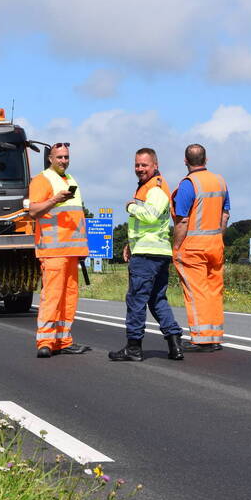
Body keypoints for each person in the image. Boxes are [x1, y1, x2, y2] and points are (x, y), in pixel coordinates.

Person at [109, 148, 184, 362]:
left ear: (155, 165)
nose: (140, 169)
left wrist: (131, 207)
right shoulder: (147, 187)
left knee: (136, 300)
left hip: (148, 256)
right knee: (156, 299)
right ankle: (174, 341)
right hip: (154, 252)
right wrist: (130, 245)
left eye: (144, 165)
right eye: (137, 165)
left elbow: (150, 216)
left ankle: (133, 348)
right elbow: (146, 226)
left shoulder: (156, 188)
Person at [26, 143, 91, 358]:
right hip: (53, 251)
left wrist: (83, 247)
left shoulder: (70, 180)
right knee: (52, 296)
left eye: (66, 157)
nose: (64, 161)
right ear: (50, 159)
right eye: (60, 157)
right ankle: (45, 341)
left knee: (69, 297)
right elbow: (33, 210)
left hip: (73, 250)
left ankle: (63, 340)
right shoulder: (42, 180)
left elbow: (76, 217)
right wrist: (54, 200)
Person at [171, 143, 229, 352]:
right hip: (216, 245)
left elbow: (183, 221)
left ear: (185, 161)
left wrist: (176, 246)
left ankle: (202, 338)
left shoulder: (189, 184)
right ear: (206, 159)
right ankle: (214, 336)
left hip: (194, 247)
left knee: (197, 292)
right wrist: (218, 238)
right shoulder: (220, 182)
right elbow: (225, 214)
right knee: (214, 290)